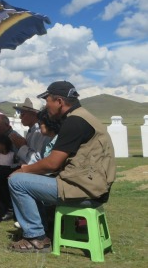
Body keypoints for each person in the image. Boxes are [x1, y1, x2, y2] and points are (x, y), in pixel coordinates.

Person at [8, 81, 116, 253]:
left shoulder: (74, 122)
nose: (46, 106)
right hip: (92, 186)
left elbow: (53, 163)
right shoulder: (83, 117)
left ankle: (36, 238)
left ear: (59, 101)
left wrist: (25, 169)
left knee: (17, 181)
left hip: (83, 188)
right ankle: (43, 231)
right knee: (29, 179)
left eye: (47, 101)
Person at [13, 98, 52, 164]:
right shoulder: (32, 131)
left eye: (23, 114)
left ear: (34, 114)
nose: (20, 117)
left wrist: (21, 146)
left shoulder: (40, 133)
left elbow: (37, 161)